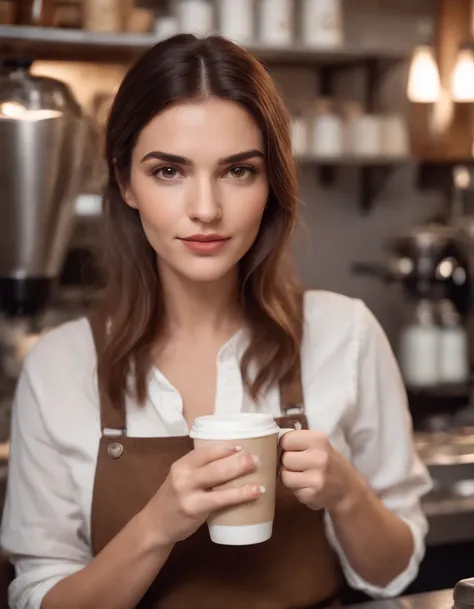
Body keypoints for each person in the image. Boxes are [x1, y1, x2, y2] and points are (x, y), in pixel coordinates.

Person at [1, 34, 432, 609]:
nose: (206, 208)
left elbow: (395, 571)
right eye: (169, 171)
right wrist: (158, 524)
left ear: (271, 182)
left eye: (237, 171)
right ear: (126, 182)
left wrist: (346, 492)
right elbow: (39, 596)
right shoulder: (59, 367)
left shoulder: (344, 333)